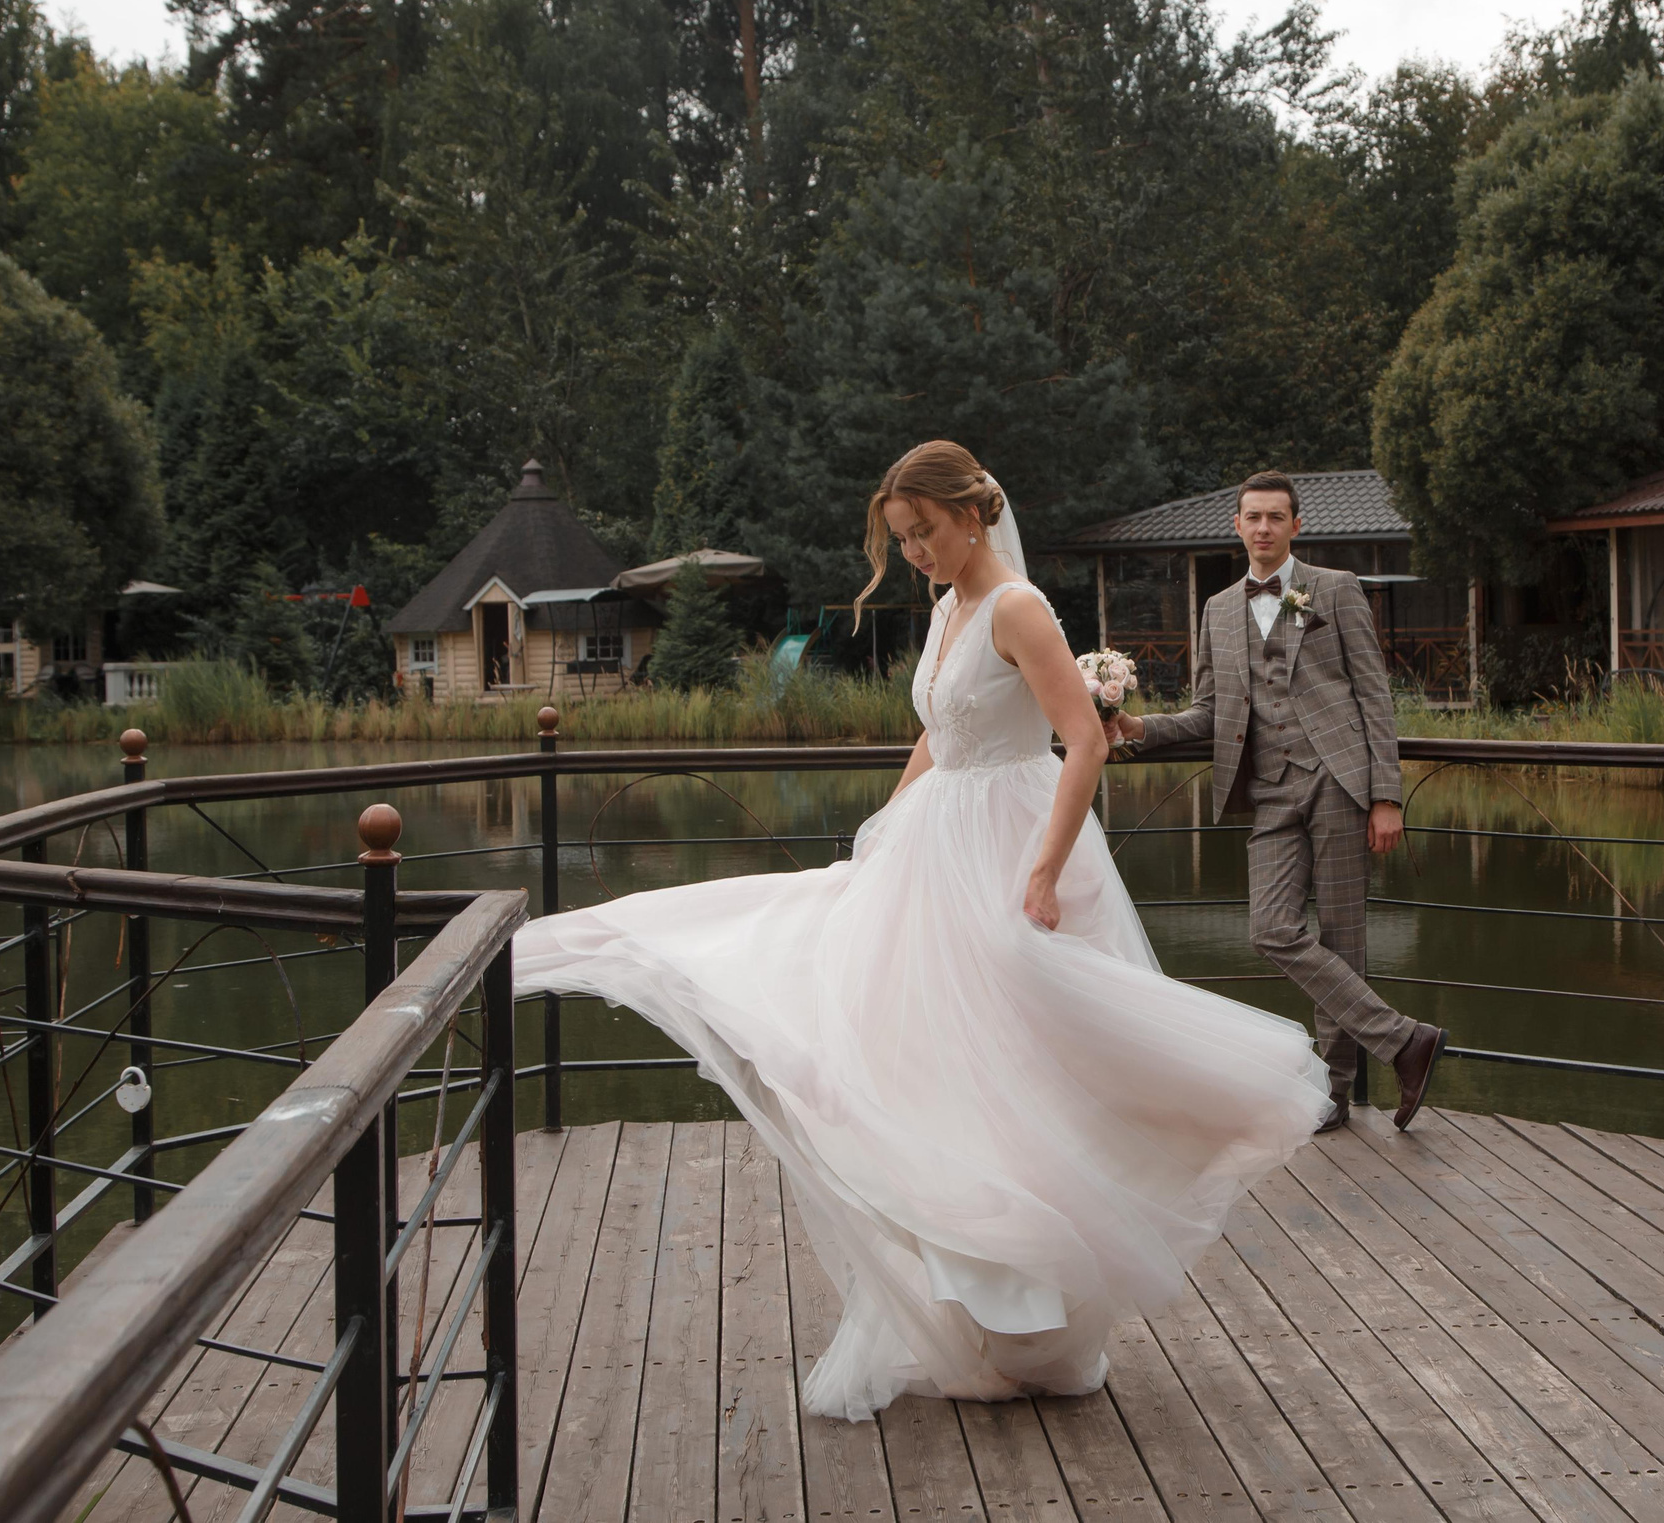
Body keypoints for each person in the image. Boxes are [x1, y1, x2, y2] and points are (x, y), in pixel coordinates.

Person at [511, 441, 1331, 1422]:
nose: (914, 555)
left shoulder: (1018, 608)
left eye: (923, 534)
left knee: (1021, 1078)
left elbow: (1081, 745)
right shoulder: (947, 610)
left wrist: (1039, 866)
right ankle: (990, 1319)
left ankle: (1032, 1312)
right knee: (933, 1075)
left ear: (972, 516)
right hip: (935, 848)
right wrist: (880, 838)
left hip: (1010, 845)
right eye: (900, 542)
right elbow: (941, 736)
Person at [1104, 471, 1447, 1133]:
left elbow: (1374, 697)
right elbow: (1209, 712)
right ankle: (1405, 1039)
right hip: (1270, 791)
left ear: (1294, 525)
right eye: (1252, 516)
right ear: (1236, 525)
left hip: (1339, 782)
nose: (1262, 527)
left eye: (1275, 517)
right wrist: (1140, 728)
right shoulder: (1218, 610)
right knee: (1271, 928)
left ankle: (1335, 1093)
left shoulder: (1331, 588)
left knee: (1343, 943)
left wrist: (1386, 796)